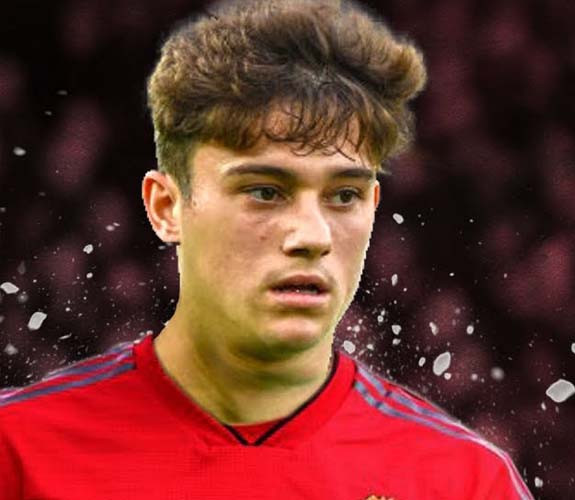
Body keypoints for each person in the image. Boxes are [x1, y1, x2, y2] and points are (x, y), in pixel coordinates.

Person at [0, 0, 534, 498]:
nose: (312, 236)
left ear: (373, 206)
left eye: (343, 196)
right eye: (265, 191)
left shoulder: (467, 481)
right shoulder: (17, 450)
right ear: (167, 207)